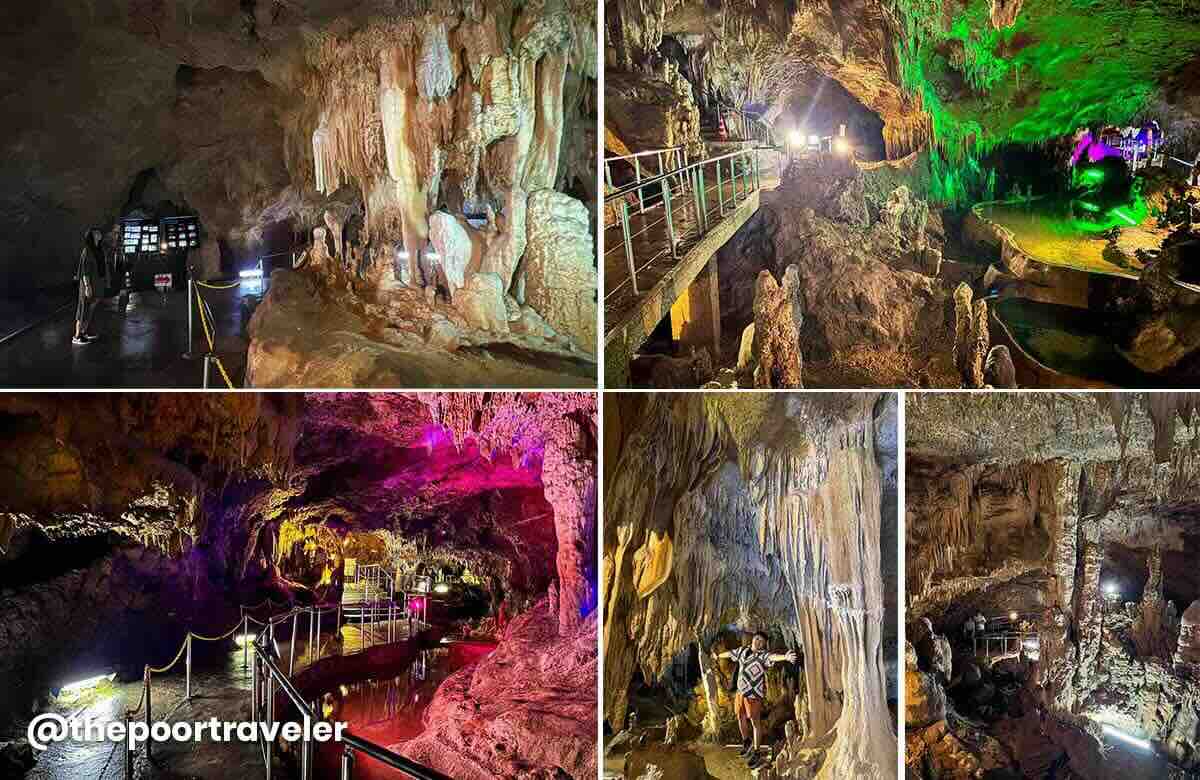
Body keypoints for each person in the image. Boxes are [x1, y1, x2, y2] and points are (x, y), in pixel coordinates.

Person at [712, 632, 798, 765]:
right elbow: (729, 654)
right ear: (753, 639)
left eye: (762, 642)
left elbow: (773, 657)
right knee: (740, 718)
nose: (758, 642)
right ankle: (747, 742)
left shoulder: (762, 656)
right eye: (757, 639)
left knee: (755, 722)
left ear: (763, 645)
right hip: (740, 693)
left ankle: (757, 752)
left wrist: (785, 657)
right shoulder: (742, 651)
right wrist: (718, 655)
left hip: (753, 696)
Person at [73, 229, 106, 346]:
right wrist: (87, 286)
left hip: (98, 283)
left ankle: (84, 331)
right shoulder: (87, 250)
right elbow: (84, 271)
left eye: (99, 232)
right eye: (96, 233)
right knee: (83, 308)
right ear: (91, 236)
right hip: (88, 283)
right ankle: (77, 335)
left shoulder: (100, 250)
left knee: (91, 309)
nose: (99, 234)